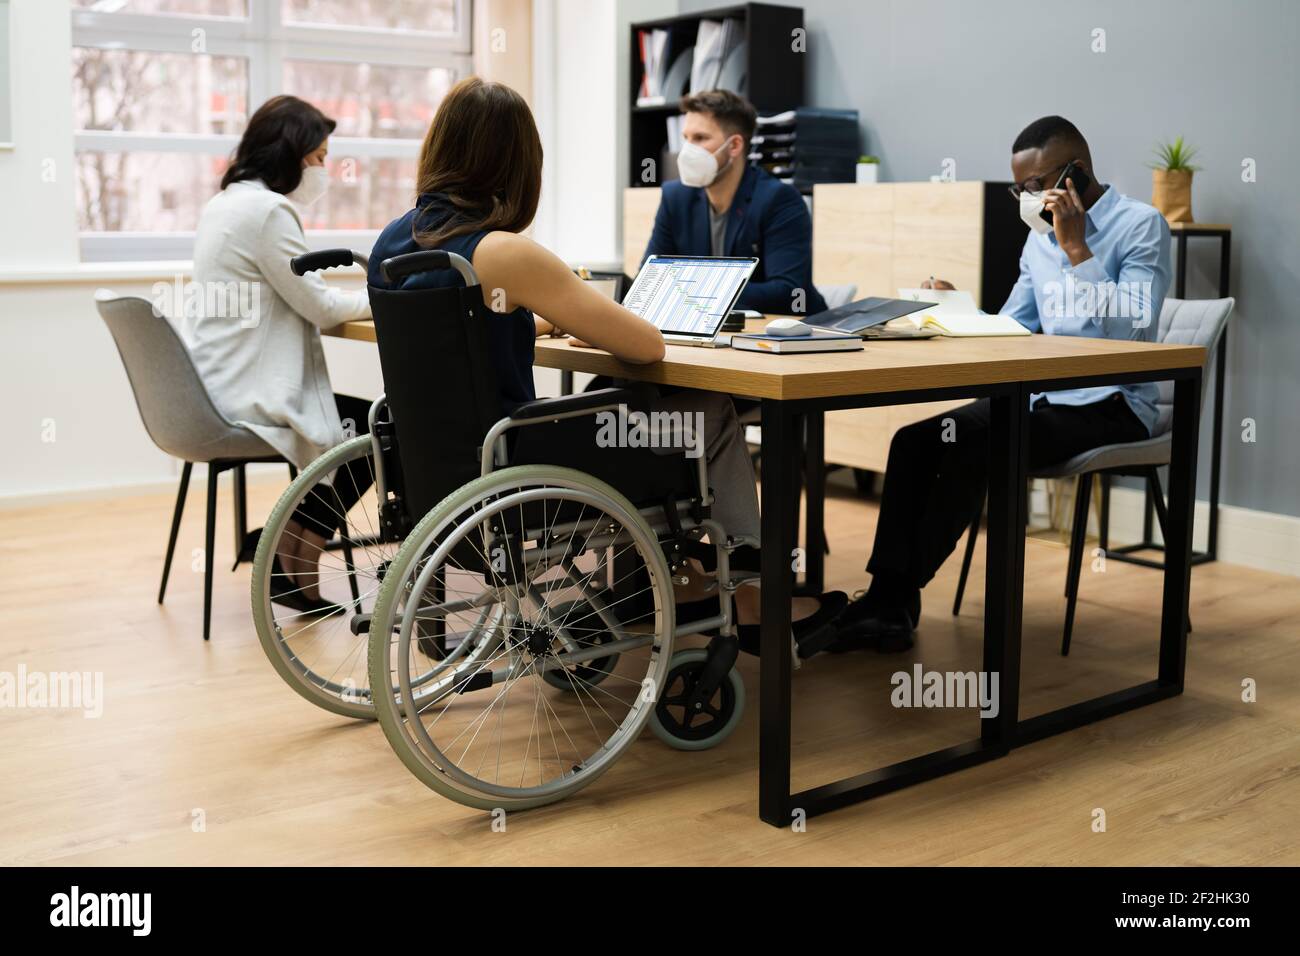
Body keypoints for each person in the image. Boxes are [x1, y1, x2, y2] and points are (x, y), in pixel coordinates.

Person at [370, 76, 845, 651]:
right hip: (520, 462)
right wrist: (574, 306)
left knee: (628, 405)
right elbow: (647, 346)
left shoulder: (392, 243)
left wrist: (544, 314)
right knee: (712, 413)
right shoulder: (505, 250)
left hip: (448, 466)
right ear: (518, 165)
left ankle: (661, 584)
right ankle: (747, 596)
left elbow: (468, 332)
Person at [825, 115, 1171, 654]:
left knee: (977, 444)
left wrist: (1078, 250)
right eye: (1021, 188)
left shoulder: (1141, 224)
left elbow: (1133, 327)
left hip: (1114, 401)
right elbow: (1014, 326)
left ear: (1076, 172)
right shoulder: (1038, 243)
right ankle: (888, 599)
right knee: (915, 440)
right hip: (1040, 396)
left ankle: (890, 600)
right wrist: (955, 304)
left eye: (1038, 185)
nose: (1028, 197)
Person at [185, 94, 372, 613]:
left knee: (361, 421)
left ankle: (280, 547)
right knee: (379, 427)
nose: (323, 170)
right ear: (289, 155)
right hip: (249, 392)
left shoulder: (225, 203)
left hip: (216, 387)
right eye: (318, 158)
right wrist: (385, 298)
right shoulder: (268, 211)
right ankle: (294, 555)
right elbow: (319, 305)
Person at [643, 89, 828, 317]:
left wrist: (693, 290)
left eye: (700, 138)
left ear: (735, 146)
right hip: (708, 328)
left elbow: (787, 292)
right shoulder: (675, 197)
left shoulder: (779, 200)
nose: (688, 150)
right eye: (686, 138)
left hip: (788, 337)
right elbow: (649, 280)